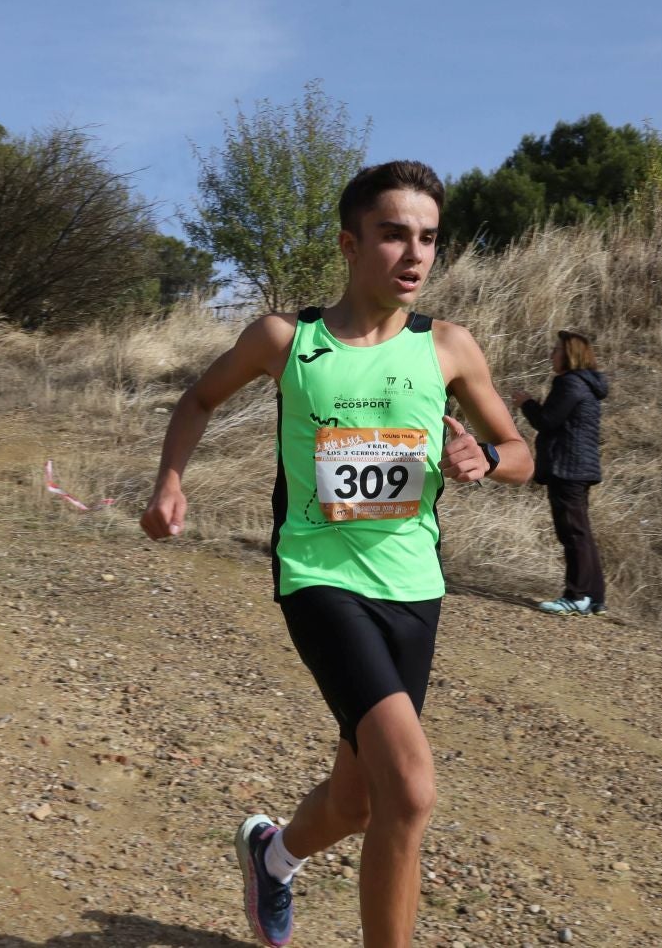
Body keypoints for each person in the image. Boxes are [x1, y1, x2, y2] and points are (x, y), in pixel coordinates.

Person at [140, 160, 532, 948]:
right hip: (320, 577)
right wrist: (170, 482)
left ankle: (272, 856)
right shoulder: (287, 340)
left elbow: (521, 452)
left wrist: (485, 463)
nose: (414, 254)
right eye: (393, 234)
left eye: (427, 238)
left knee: (358, 800)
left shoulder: (450, 349)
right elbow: (199, 398)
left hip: (415, 587)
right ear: (352, 245)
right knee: (411, 792)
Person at [512, 330, 610, 615]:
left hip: (567, 468)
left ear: (569, 355)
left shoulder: (570, 384)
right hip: (580, 467)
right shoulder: (587, 385)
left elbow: (547, 420)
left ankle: (576, 595)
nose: (551, 354)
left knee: (573, 533)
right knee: (581, 532)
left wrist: (526, 403)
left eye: (555, 350)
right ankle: (594, 597)